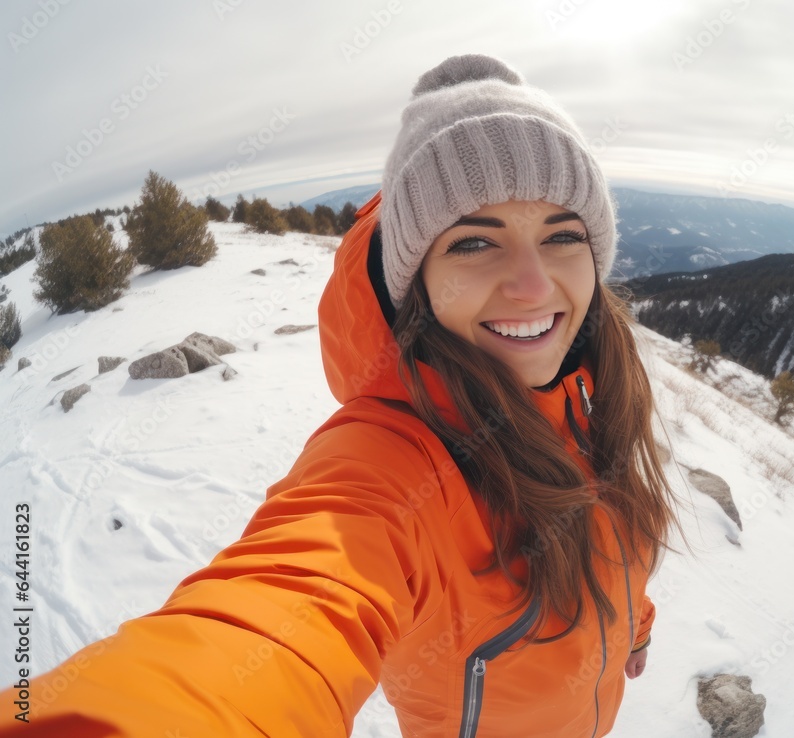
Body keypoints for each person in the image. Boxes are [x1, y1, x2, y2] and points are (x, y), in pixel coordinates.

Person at [0, 53, 682, 737]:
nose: (533, 285)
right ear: (414, 284)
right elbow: (281, 611)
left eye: (563, 235)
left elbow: (611, 538)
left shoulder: (594, 390)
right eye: (475, 243)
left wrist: (635, 625)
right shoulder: (394, 464)